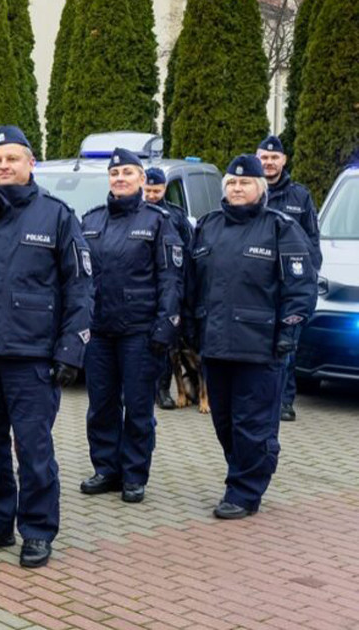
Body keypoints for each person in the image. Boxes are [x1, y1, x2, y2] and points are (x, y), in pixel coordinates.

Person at [0, 125, 93, 568]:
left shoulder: (58, 216)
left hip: (32, 359)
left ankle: (38, 530)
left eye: (13, 158)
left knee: (33, 449)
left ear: (31, 163)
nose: (4, 165)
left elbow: (81, 289)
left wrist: (70, 352)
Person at [184, 155, 315, 519]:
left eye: (245, 183)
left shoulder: (280, 228)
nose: (237, 188)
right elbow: (192, 285)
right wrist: (191, 328)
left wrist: (290, 329)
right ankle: (247, 469)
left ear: (260, 188)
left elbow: (300, 286)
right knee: (224, 422)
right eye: (232, 183)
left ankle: (244, 491)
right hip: (215, 345)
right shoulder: (207, 227)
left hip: (260, 347)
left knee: (252, 423)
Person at [78, 148, 182, 505]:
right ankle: (106, 468)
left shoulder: (157, 221)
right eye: (114, 173)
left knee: (138, 407)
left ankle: (134, 475)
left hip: (140, 332)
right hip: (99, 331)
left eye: (127, 172)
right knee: (101, 406)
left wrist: (166, 325)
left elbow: (171, 278)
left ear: (142, 178)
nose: (119, 178)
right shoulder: (90, 221)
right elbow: (77, 278)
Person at [257, 135, 320, 423]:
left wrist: (310, 273)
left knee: (288, 345)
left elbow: (312, 239)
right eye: (264, 158)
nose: (269, 163)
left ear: (283, 160)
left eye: (274, 158)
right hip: (258, 283)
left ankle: (284, 401)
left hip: (288, 284)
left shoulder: (300, 196)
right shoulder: (251, 192)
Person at [143, 167, 195, 410]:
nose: (152, 195)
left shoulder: (175, 216)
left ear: (164, 188)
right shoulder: (137, 212)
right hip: (143, 287)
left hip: (170, 288)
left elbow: (188, 253)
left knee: (167, 343)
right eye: (148, 190)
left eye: (156, 190)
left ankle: (163, 390)